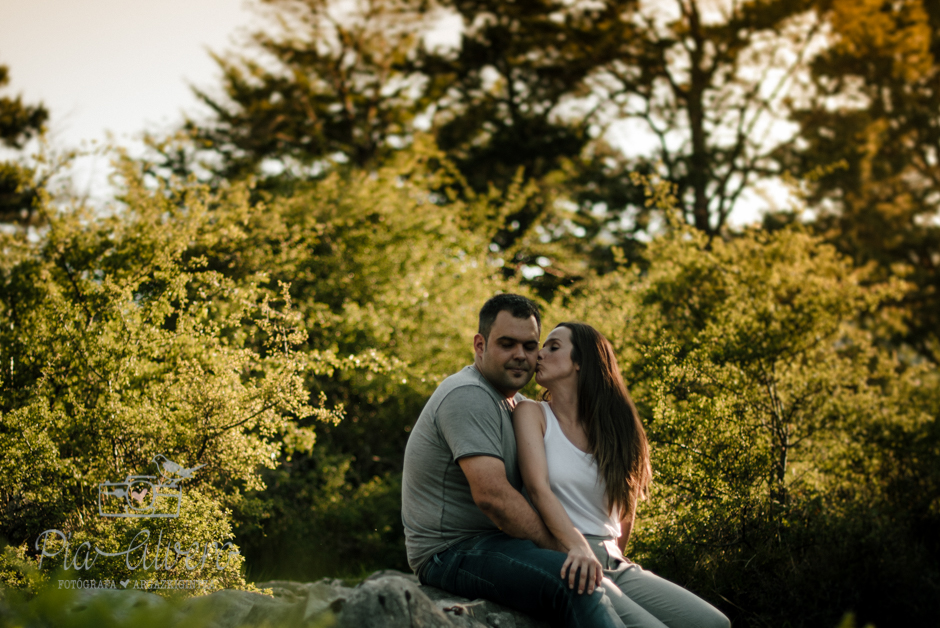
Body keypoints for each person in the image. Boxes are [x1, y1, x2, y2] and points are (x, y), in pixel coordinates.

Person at [402, 295, 624, 627]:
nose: (520, 355)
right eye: (507, 344)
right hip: (450, 551)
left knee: (595, 582)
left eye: (530, 345)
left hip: (498, 543)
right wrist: (562, 549)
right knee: (574, 584)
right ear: (480, 345)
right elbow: (494, 498)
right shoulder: (467, 394)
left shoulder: (517, 404)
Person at [513, 322, 730, 628]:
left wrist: (615, 558)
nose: (539, 354)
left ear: (580, 362)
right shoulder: (532, 413)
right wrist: (575, 546)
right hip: (568, 554)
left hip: (614, 561)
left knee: (713, 623)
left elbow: (625, 509)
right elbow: (537, 489)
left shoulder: (615, 430)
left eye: (553, 346)